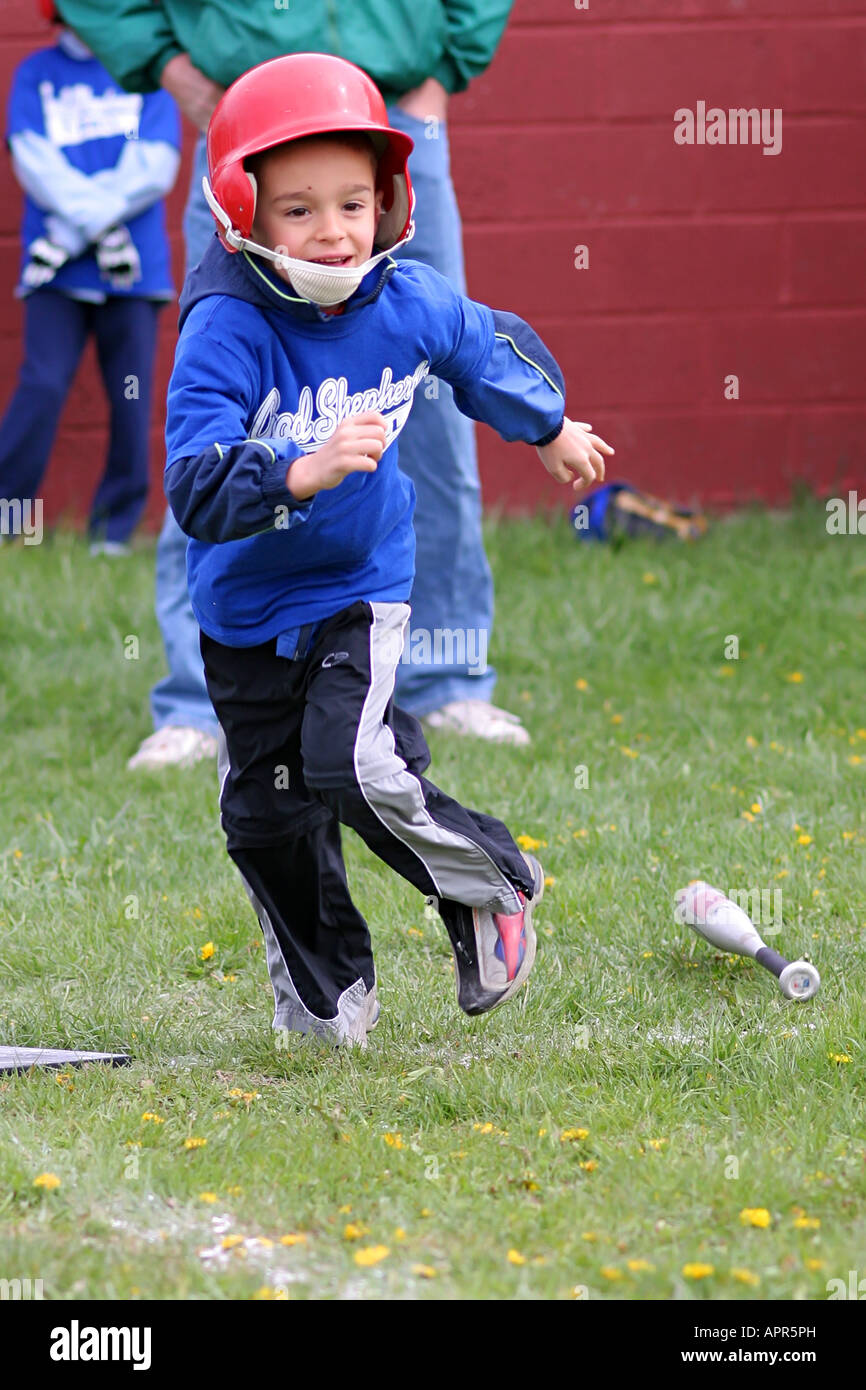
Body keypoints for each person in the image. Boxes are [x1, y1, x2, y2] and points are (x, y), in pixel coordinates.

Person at [163, 54, 614, 1045]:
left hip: (358, 584)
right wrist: (296, 471)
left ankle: (489, 888)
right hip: (243, 611)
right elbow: (192, 487)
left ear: (390, 201)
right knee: (266, 818)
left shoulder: (404, 297)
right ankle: (328, 1001)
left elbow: (477, 347)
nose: (332, 230)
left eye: (352, 203)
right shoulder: (224, 328)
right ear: (241, 209)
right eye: (297, 209)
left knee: (352, 759)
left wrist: (547, 428)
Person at [55, 0, 536, 766]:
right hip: (251, 146)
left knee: (430, 415)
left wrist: (447, 68)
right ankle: (197, 695)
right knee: (222, 420)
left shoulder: (384, 184)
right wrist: (170, 69)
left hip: (386, 124)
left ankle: (447, 676)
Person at [0, 4, 180, 553]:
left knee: (131, 397)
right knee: (44, 383)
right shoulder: (36, 73)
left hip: (134, 270)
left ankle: (114, 534)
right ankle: (10, 522)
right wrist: (92, 228)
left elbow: (155, 167)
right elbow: (34, 162)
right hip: (55, 272)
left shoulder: (148, 74)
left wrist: (79, 228)